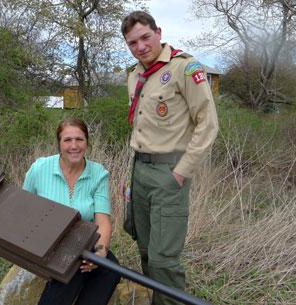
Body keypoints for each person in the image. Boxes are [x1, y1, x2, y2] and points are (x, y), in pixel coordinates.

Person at [121, 11, 219, 305]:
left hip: (169, 172)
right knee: (146, 251)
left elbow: (208, 122)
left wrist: (181, 171)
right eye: (132, 43)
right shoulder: (134, 75)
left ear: (159, 32)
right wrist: (133, 175)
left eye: (145, 37)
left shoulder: (184, 69)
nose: (140, 46)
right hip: (139, 169)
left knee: (164, 260)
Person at [22, 118, 121, 305]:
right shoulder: (39, 169)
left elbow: (102, 220)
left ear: (87, 142)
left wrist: (99, 255)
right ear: (59, 144)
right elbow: (23, 209)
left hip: (81, 242)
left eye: (79, 139)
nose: (74, 146)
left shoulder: (98, 173)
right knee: (71, 272)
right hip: (47, 244)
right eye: (67, 140)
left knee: (110, 268)